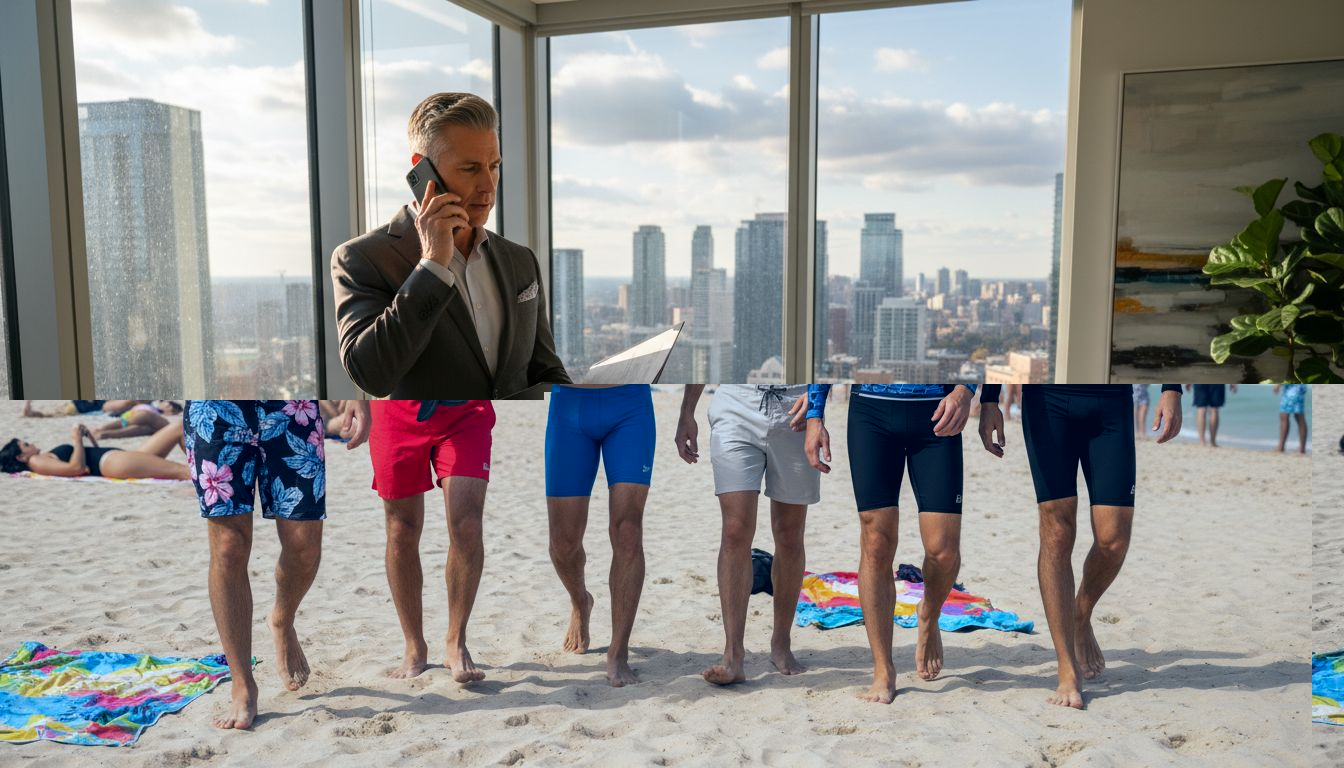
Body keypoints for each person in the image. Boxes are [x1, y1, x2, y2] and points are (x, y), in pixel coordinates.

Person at [331, 92, 570, 399]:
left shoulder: (520, 259)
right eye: (470, 169)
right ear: (422, 170)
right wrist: (431, 265)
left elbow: (546, 371)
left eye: (494, 166)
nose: (488, 185)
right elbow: (372, 376)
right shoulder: (363, 258)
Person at [978, 384, 1182, 710]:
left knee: (1113, 539)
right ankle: (1066, 667)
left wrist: (1172, 388)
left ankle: (1080, 614)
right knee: (1057, 532)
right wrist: (990, 397)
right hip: (1046, 399)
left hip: (1110, 397)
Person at [187, 399, 368, 730]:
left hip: (290, 401)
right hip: (215, 406)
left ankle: (282, 620)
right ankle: (242, 683)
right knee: (229, 546)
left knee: (304, 545)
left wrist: (355, 390)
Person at [802, 384, 977, 704]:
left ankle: (929, 614)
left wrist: (967, 390)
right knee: (876, 542)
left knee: (943, 550)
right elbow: (824, 341)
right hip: (871, 410)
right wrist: (816, 413)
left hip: (938, 408)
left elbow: (982, 336)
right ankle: (883, 668)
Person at [675, 385, 817, 685]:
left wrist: (818, 398)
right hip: (736, 403)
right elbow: (703, 340)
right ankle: (733, 653)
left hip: (796, 405)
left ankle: (781, 643)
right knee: (735, 531)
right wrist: (687, 411)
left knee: (789, 534)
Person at [345, 399, 495, 682]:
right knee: (401, 530)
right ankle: (414, 645)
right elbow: (350, 352)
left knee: (468, 526)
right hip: (394, 408)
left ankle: (456, 641)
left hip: (464, 407)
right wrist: (357, 394)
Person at [545, 385, 654, 687]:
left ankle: (618, 652)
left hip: (630, 404)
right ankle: (581, 601)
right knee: (563, 543)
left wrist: (687, 411)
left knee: (627, 530)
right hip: (569, 403)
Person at [0, 421, 189, 480]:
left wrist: (84, 438)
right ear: (21, 456)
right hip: (112, 462)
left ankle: (210, 467)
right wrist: (76, 440)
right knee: (182, 472)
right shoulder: (36, 461)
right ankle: (209, 484)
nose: (30, 443)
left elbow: (84, 458)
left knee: (178, 428)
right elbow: (76, 469)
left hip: (118, 457)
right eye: (25, 445)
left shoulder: (41, 457)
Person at [91, 401, 183, 440]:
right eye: (167, 404)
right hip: (133, 416)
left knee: (144, 428)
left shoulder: (164, 414)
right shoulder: (151, 405)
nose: (168, 406)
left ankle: (105, 433)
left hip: (140, 418)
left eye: (170, 406)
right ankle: (102, 431)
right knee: (143, 425)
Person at [1274, 384, 1309, 454]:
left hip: (1292, 387)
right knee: (1299, 416)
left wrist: (1278, 384)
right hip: (1299, 386)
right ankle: (1302, 448)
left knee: (1285, 415)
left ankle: (1281, 447)